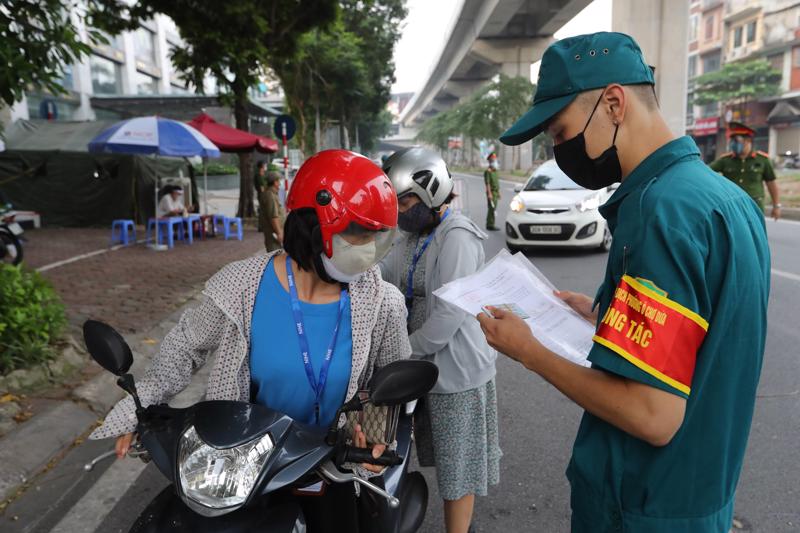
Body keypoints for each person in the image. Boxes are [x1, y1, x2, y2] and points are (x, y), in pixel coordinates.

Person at [477, 32, 770, 533]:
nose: (558, 147)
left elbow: (653, 416)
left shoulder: (661, 211)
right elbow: (703, 335)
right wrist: (604, 314)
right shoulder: (725, 199)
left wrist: (530, 351)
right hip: (699, 497)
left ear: (613, 103)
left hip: (639, 507)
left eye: (560, 130)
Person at [90, 149, 411, 531]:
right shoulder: (239, 286)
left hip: (328, 468)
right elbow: (182, 348)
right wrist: (139, 407)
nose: (369, 250)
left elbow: (391, 386)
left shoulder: (382, 302)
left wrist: (373, 441)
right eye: (358, 234)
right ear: (313, 224)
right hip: (236, 467)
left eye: (377, 237)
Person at [381, 147, 500, 533]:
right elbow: (381, 273)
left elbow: (449, 315)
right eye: (397, 202)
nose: (402, 209)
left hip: (455, 375)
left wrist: (400, 352)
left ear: (432, 192)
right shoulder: (411, 236)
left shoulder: (458, 237)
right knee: (413, 457)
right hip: (419, 368)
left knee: (457, 473)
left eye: (408, 199)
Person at [709, 122, 781, 219]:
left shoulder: (762, 160)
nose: (733, 144)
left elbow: (771, 184)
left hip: (754, 206)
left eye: (737, 140)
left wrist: (776, 206)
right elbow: (706, 172)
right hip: (732, 206)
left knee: (755, 233)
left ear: (748, 141)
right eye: (732, 141)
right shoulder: (725, 160)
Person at [259, 170, 286, 252]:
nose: (280, 184)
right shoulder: (270, 195)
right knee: (275, 255)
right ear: (275, 182)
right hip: (273, 234)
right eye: (279, 181)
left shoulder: (272, 194)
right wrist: (279, 233)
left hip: (275, 233)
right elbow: (273, 216)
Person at [483, 152, 500, 230]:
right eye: (493, 160)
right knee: (491, 208)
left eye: (495, 160)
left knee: (494, 208)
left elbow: (496, 182)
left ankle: (491, 223)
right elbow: (488, 184)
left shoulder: (495, 171)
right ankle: (490, 225)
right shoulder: (488, 171)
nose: (494, 161)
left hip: (496, 192)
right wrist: (489, 194)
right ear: (490, 161)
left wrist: (499, 192)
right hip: (491, 192)